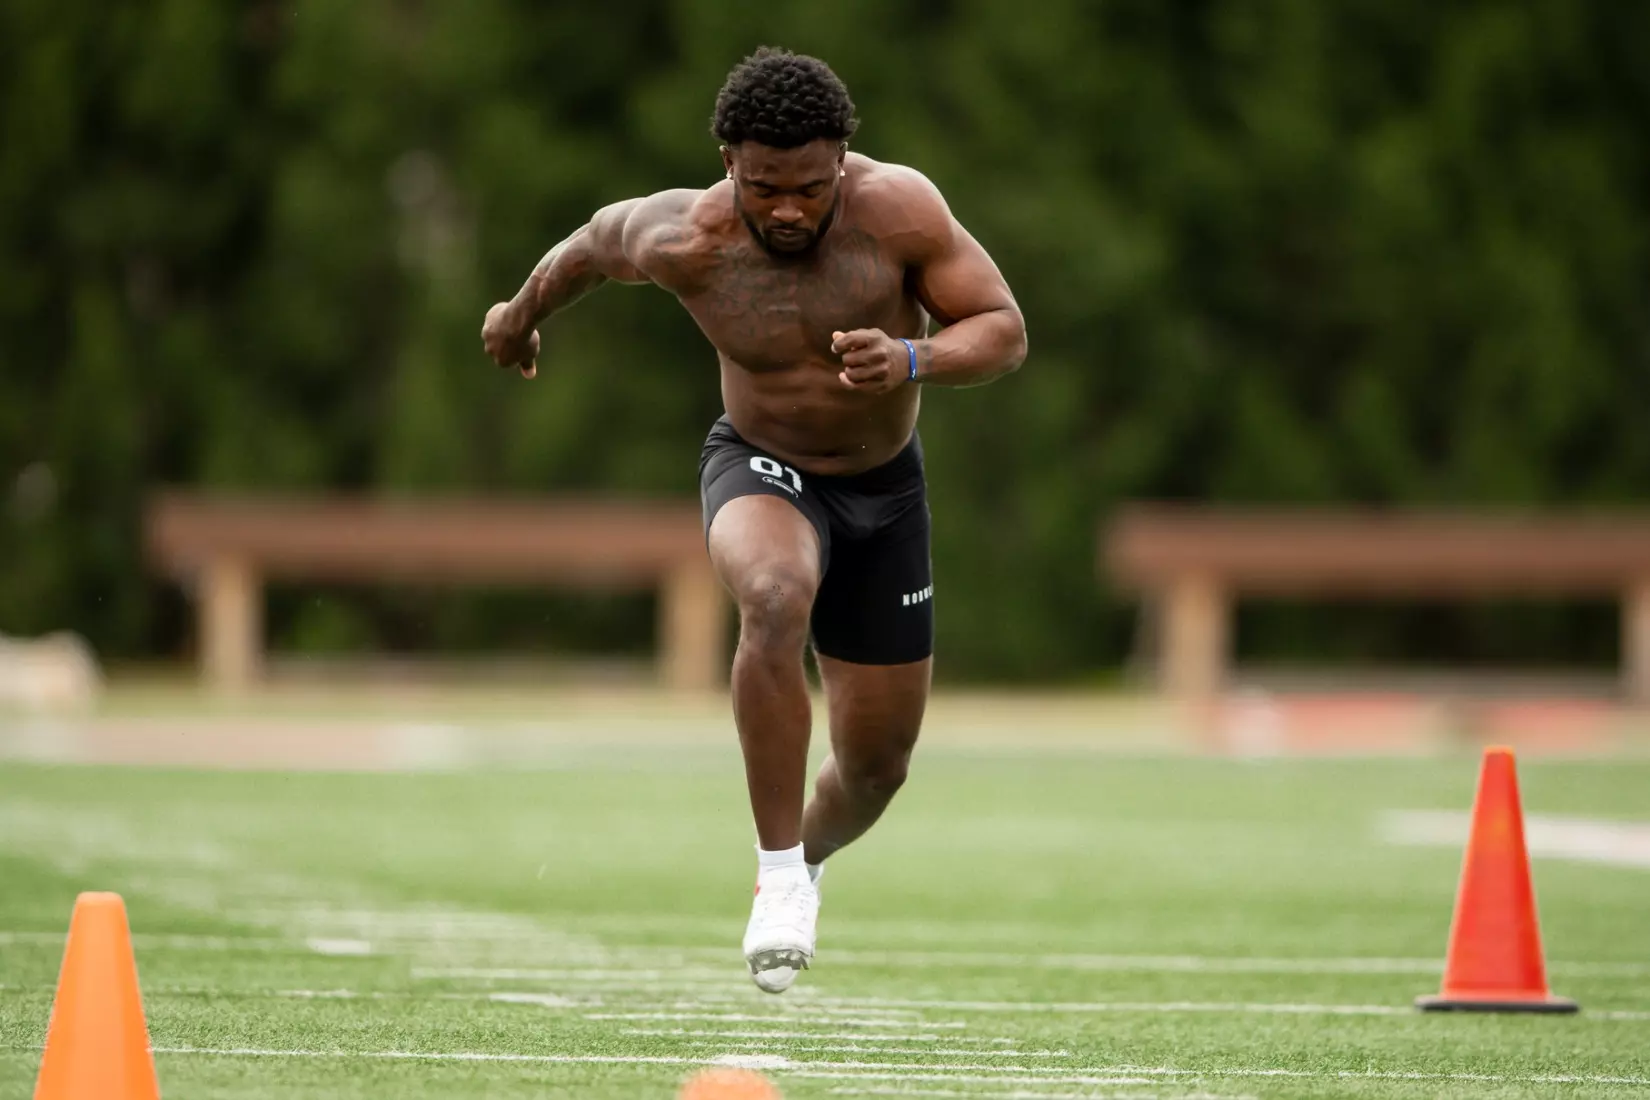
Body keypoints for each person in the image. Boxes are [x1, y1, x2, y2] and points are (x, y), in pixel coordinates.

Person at [481, 47, 1026, 993]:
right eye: (765, 186)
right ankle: (777, 878)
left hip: (885, 490)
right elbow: (584, 250)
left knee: (875, 769)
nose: (786, 209)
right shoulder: (684, 237)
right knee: (772, 597)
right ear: (729, 162)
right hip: (759, 463)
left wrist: (912, 359)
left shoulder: (899, 210)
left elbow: (1004, 330)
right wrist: (520, 313)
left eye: (810, 188)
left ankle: (807, 856)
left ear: (843, 163)